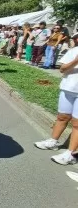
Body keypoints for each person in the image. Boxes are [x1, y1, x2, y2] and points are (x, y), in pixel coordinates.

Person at [34, 37, 78, 165]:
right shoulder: (74, 51)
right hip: (67, 89)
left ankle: (71, 154)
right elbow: (62, 69)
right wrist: (75, 61)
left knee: (76, 124)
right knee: (62, 117)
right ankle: (53, 141)